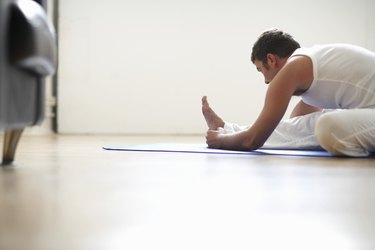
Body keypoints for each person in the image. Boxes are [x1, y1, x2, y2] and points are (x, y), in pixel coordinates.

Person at [202, 29, 375, 157]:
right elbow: (294, 126)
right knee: (313, 126)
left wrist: (221, 141)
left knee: (327, 126)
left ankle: (227, 130)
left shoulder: (294, 68)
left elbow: (253, 140)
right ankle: (227, 128)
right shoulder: (312, 67)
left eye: (261, 70)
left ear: (271, 59)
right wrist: (226, 129)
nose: (266, 81)